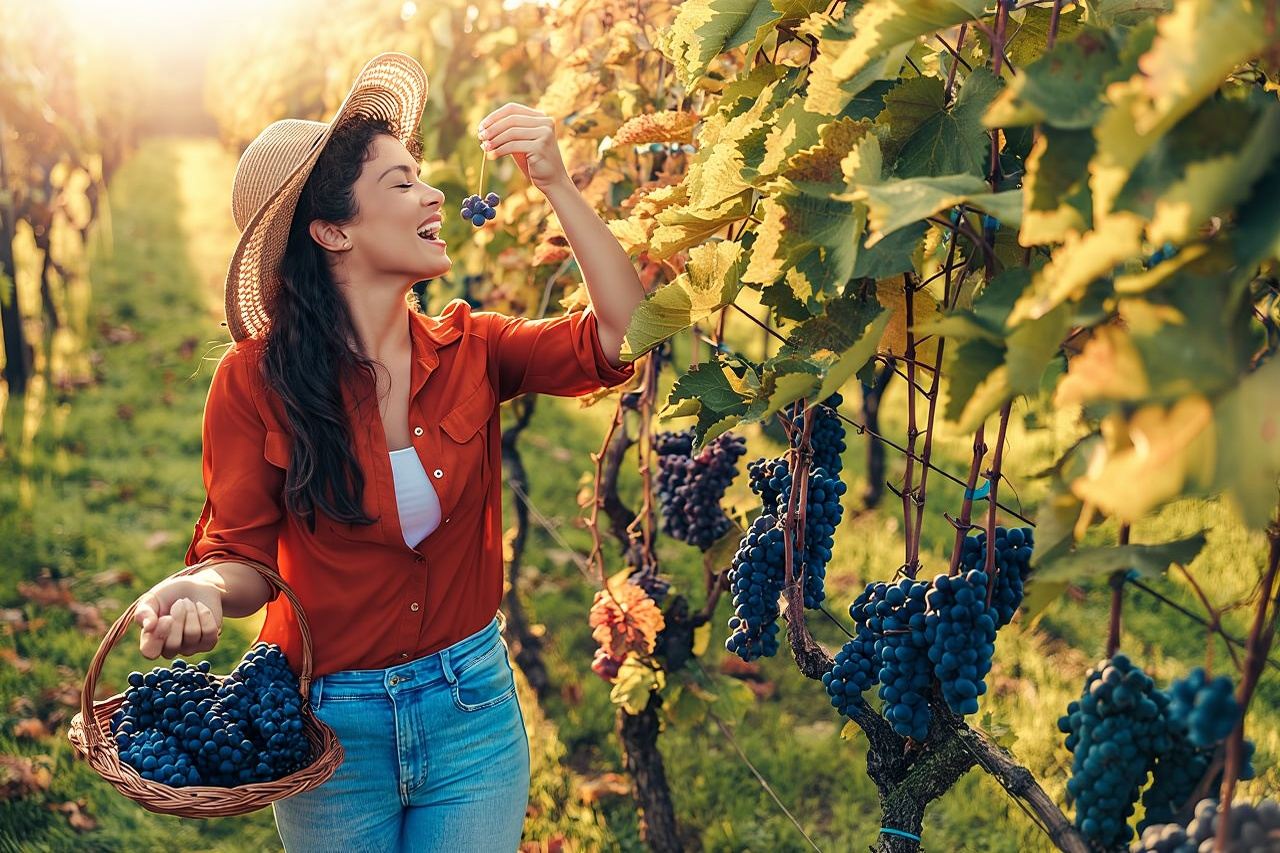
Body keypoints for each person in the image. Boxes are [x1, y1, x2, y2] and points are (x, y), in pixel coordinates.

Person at [128, 53, 645, 852]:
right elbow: (240, 557)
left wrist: (559, 185)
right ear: (332, 229)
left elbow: (624, 333)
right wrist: (192, 587)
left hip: (471, 709)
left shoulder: (473, 347)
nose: (434, 193)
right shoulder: (253, 382)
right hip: (333, 734)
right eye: (400, 182)